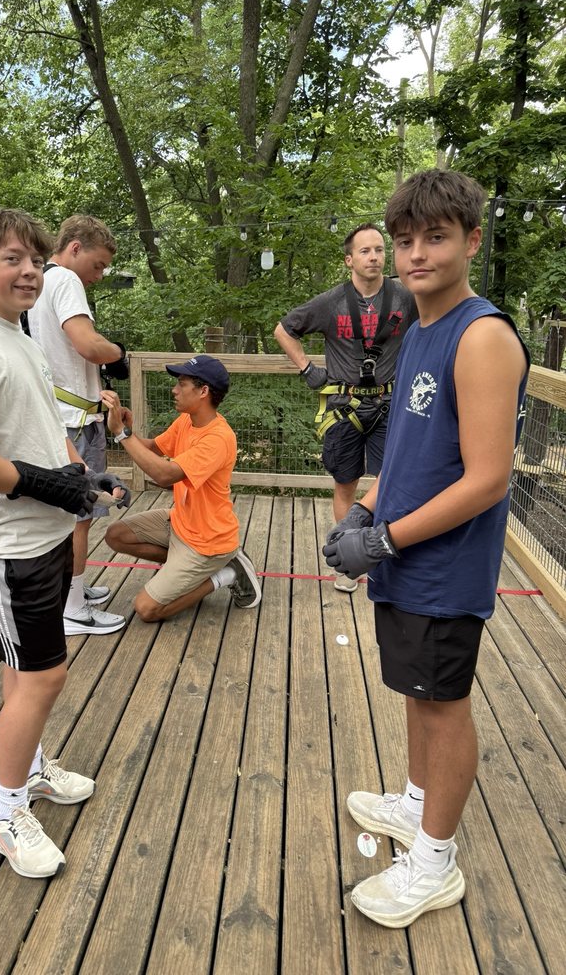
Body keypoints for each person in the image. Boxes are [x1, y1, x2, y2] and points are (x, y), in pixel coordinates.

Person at [323, 170, 529, 928]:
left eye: (435, 238)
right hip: (403, 553)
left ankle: (435, 863)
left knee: (444, 706)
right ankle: (415, 805)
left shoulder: (481, 336)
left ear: (472, 240)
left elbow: (487, 480)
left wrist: (382, 537)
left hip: (443, 565)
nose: (415, 255)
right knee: (419, 691)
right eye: (404, 240)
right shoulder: (419, 328)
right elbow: (406, 451)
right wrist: (365, 509)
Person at [0, 208, 124, 879]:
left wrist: (80, 475)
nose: (30, 270)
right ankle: (6, 816)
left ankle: (31, 770)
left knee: (25, 667)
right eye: (12, 258)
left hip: (41, 530)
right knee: (44, 672)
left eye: (36, 260)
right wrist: (49, 485)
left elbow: (44, 423)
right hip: (1, 542)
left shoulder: (21, 337)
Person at [274, 224, 416, 593]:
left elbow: (434, 325)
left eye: (380, 250)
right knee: (345, 484)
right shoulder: (330, 302)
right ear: (349, 259)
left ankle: (382, 553)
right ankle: (348, 559)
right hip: (344, 405)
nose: (374, 257)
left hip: (389, 402)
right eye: (365, 251)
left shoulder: (405, 298)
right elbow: (283, 330)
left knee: (393, 481)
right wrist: (307, 368)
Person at [99, 355, 262, 622]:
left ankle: (225, 574)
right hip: (181, 523)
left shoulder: (218, 438)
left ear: (203, 391)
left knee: (146, 610)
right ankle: (189, 569)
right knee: (116, 535)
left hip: (208, 543)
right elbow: (152, 447)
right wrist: (128, 429)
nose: (174, 390)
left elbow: (164, 475)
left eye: (182, 384)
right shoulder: (187, 420)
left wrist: (121, 435)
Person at [28, 214, 129, 637]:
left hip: (59, 415)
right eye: (99, 264)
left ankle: (74, 589)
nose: (100, 276)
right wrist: (119, 353)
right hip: (74, 420)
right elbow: (88, 345)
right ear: (74, 248)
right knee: (80, 515)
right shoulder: (65, 281)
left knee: (68, 513)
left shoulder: (39, 284)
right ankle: (71, 609)